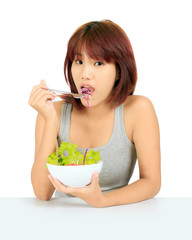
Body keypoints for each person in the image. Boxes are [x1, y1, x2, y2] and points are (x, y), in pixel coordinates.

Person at [28, 20, 161, 208]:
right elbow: (42, 193)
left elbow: (152, 183)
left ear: (118, 71)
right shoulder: (51, 112)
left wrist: (102, 201)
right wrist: (50, 120)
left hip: (119, 214)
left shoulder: (138, 109)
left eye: (98, 63)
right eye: (79, 61)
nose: (85, 74)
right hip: (62, 216)